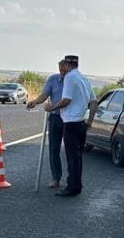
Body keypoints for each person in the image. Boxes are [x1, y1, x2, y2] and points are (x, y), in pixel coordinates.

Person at [45, 55, 95, 197]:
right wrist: (90, 120)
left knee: (72, 157)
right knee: (77, 157)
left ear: (67, 65)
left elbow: (66, 100)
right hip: (81, 123)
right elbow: (94, 101)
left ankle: (72, 187)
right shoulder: (84, 78)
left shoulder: (70, 77)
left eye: (63, 68)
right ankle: (76, 185)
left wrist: (52, 107)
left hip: (71, 123)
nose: (62, 72)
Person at [27, 60, 69, 188]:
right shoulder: (53, 79)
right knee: (53, 149)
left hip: (69, 119)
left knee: (71, 150)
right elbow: (45, 95)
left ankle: (73, 180)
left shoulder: (73, 81)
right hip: (55, 117)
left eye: (65, 71)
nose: (62, 73)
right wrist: (35, 102)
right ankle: (56, 178)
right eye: (60, 70)